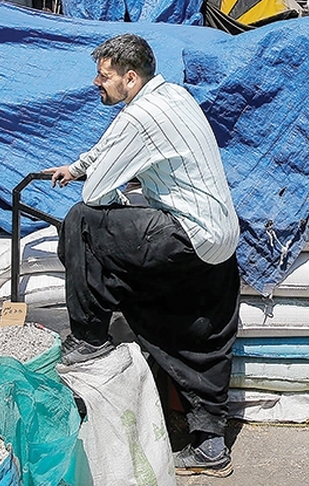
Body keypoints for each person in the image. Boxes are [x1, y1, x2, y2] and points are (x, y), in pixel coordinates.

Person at [44, 33, 240, 478]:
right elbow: (109, 145)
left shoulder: (142, 117)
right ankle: (210, 445)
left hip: (184, 237)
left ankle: (89, 337)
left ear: (130, 78)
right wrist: (75, 167)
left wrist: (95, 182)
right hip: (220, 242)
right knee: (194, 332)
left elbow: (96, 195)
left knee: (82, 222)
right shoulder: (172, 95)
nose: (97, 83)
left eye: (104, 75)